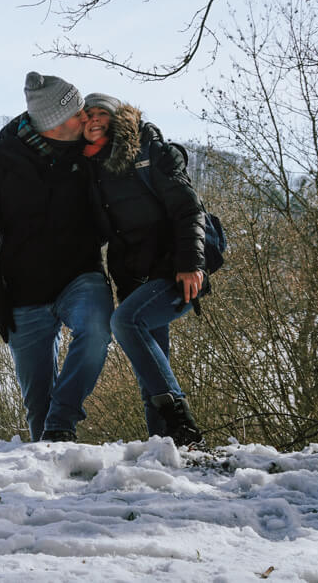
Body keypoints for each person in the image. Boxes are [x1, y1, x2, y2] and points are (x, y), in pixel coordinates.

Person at [0, 72, 113, 443]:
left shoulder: (90, 154)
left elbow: (141, 151)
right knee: (37, 410)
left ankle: (63, 418)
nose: (87, 117)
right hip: (23, 294)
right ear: (56, 124)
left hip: (81, 278)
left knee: (96, 328)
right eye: (78, 113)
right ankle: (51, 475)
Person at [81, 92, 204, 446]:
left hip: (174, 271)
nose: (92, 119)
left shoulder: (151, 153)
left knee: (126, 321)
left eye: (100, 112)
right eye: (86, 115)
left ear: (117, 116)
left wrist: (191, 264)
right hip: (134, 276)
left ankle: (181, 421)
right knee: (149, 368)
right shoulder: (92, 170)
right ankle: (167, 446)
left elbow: (189, 210)